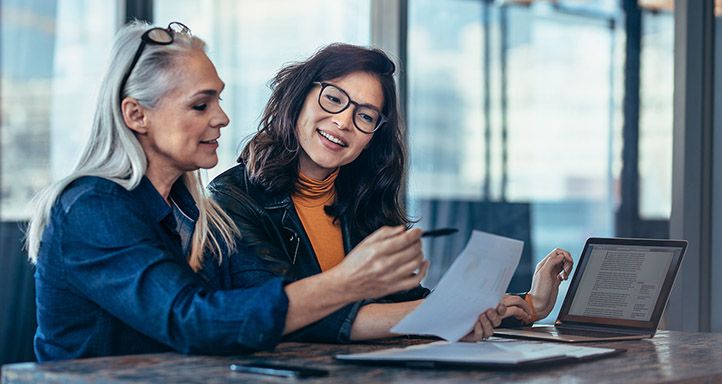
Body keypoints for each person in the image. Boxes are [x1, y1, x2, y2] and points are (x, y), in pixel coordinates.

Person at [26, 22, 427, 362]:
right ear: (137, 115)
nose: (222, 117)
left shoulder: (198, 214)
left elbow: (262, 303)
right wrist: (347, 282)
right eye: (201, 105)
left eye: (218, 99)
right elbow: (193, 321)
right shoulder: (91, 207)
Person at [208, 43, 574, 343]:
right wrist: (447, 315)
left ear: (372, 139)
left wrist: (530, 304)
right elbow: (290, 313)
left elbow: (404, 304)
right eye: (333, 99)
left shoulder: (362, 200)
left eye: (365, 116)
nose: (343, 122)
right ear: (299, 97)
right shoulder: (231, 198)